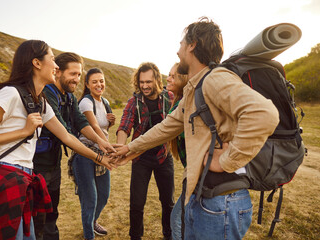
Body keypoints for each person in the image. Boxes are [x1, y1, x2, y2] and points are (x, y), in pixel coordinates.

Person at [113, 17, 279, 240]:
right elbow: (166, 127)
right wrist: (129, 149)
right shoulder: (196, 87)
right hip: (202, 197)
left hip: (221, 202)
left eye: (181, 44)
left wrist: (227, 160)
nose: (178, 51)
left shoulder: (215, 79)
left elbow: (264, 114)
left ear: (192, 45)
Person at [0, 40, 115, 240]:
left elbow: (67, 136)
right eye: (53, 60)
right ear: (36, 63)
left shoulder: (40, 102)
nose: (56, 66)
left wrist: (100, 157)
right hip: (5, 180)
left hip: (24, 180)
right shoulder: (10, 94)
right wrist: (23, 132)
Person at [32, 52, 115, 240]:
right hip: (38, 166)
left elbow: (80, 122)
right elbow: (66, 135)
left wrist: (101, 142)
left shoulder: (68, 96)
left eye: (79, 75)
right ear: (58, 71)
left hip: (54, 164)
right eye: (73, 74)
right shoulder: (48, 95)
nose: (76, 79)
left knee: (52, 213)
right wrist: (99, 157)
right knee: (38, 218)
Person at [116, 62, 175, 240]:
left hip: (164, 157)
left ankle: (169, 234)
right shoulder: (135, 102)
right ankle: (135, 236)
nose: (145, 86)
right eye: (141, 82)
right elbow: (124, 126)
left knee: (168, 202)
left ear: (157, 79)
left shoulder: (169, 98)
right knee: (137, 203)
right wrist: (120, 148)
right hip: (140, 158)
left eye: (148, 81)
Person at [71, 67, 115, 240]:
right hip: (85, 154)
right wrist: (104, 140)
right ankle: (89, 235)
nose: (99, 84)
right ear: (87, 84)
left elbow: (103, 127)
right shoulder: (85, 102)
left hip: (101, 153)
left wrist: (111, 123)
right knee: (90, 199)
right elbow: (94, 127)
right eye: (95, 81)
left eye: (101, 81)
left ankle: (93, 222)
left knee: (103, 195)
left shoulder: (104, 102)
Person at [165, 63, 188, 240]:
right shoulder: (178, 102)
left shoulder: (185, 103)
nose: (168, 78)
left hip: (200, 175)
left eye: (173, 76)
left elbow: (162, 131)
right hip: (193, 175)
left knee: (177, 220)